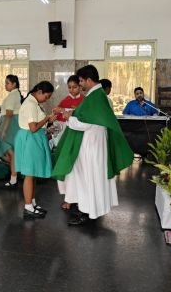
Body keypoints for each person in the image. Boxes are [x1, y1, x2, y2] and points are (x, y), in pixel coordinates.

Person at [53, 65, 133, 226]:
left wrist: (68, 116)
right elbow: (86, 117)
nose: (80, 84)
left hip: (91, 146)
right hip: (92, 143)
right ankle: (88, 209)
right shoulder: (95, 95)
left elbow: (84, 123)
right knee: (90, 178)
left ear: (89, 80)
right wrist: (71, 114)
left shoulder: (95, 97)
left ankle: (86, 211)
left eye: (81, 81)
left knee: (87, 178)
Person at [15, 81, 57, 219]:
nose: (47, 99)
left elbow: (36, 126)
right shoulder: (30, 104)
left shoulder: (34, 103)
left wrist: (47, 126)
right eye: (46, 96)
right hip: (30, 139)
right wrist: (47, 118)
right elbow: (33, 128)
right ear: (39, 92)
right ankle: (27, 207)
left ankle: (32, 202)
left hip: (33, 138)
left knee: (32, 173)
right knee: (29, 174)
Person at [0, 75, 22, 189]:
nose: (5, 85)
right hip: (11, 124)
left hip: (11, 125)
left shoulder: (13, 95)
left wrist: (4, 130)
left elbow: (9, 114)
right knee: (10, 152)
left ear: (14, 84)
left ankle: (14, 178)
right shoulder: (14, 94)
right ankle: (14, 176)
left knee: (11, 152)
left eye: (7, 83)